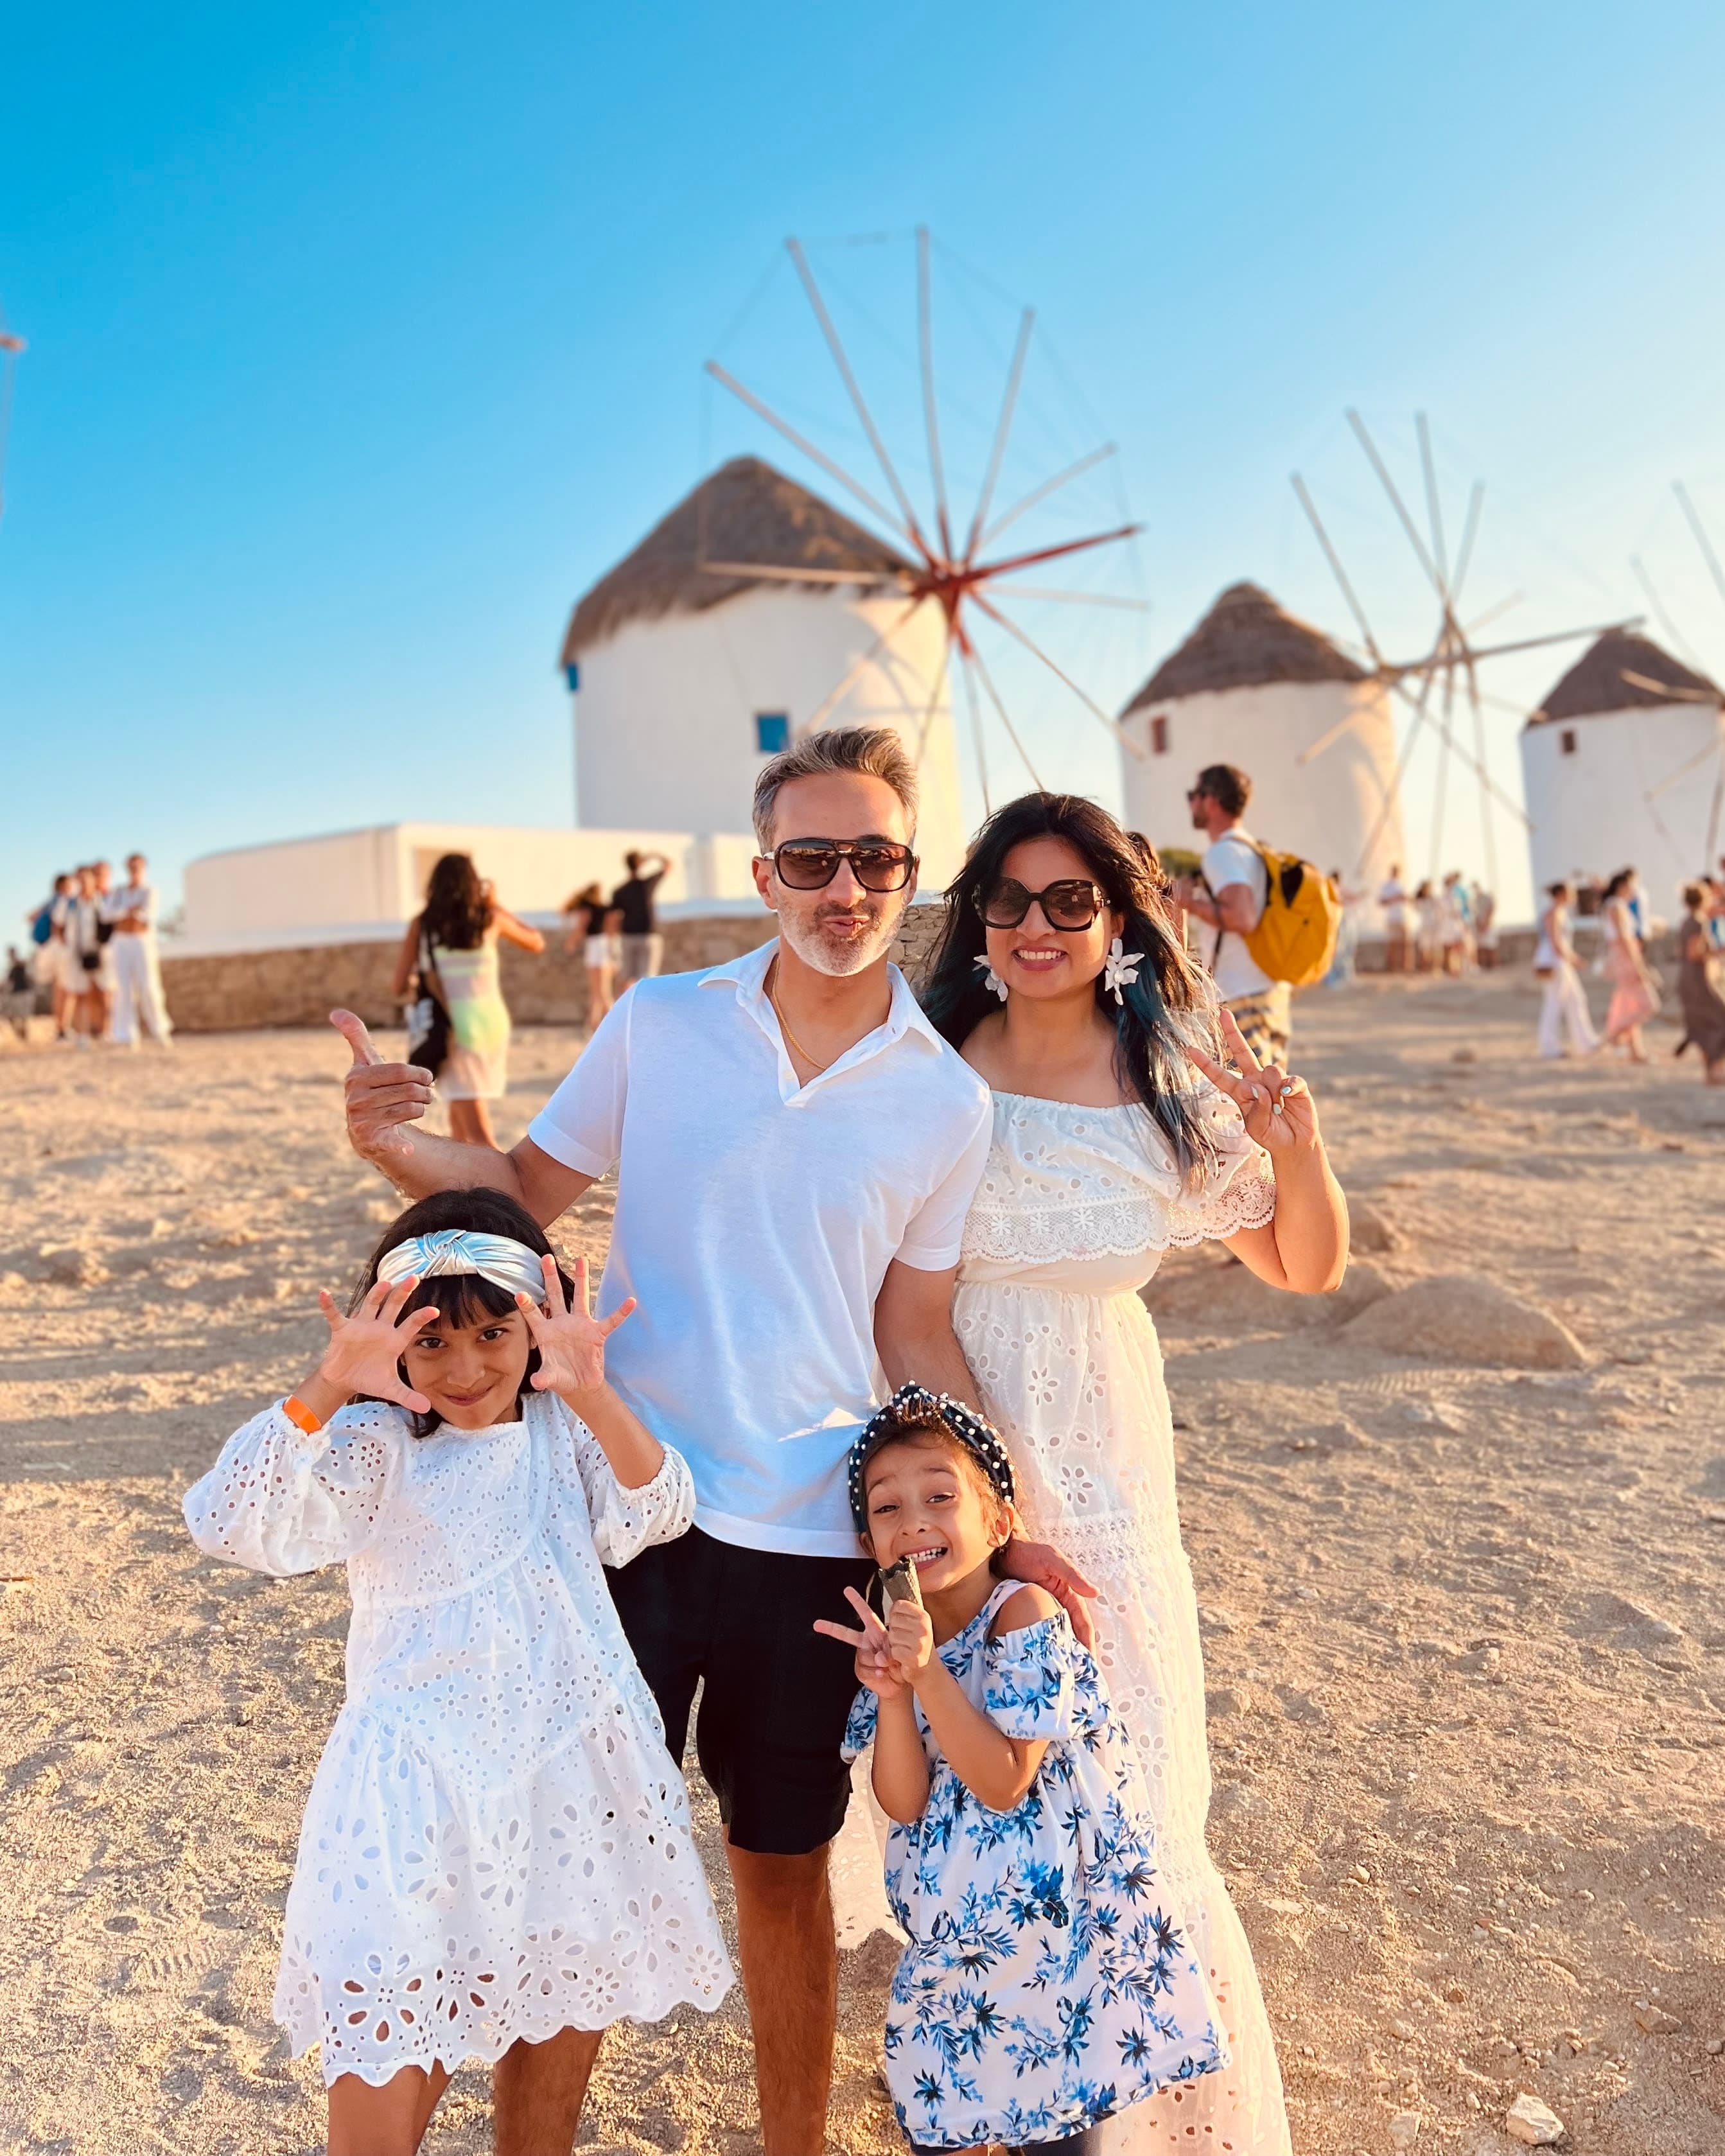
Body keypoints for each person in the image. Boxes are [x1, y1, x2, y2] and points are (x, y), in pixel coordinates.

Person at [333, 726, 1091, 2155]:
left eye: (871, 857)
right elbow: (523, 1186)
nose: (841, 886)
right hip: (619, 1507)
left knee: (783, 1866)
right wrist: (403, 1151)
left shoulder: (942, 1097)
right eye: (810, 857)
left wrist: (1012, 1509)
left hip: (809, 1535)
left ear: (907, 878)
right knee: (574, 1865)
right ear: (763, 873)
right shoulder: (662, 1022)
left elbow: (915, 1327)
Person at [919, 791, 1350, 2156]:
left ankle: (1142, 2106)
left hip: (1104, 1443)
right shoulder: (928, 1066)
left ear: (1113, 922)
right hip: (960, 1439)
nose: (1037, 924)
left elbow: (1303, 1263)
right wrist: (987, 1507)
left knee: (1133, 1765)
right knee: (985, 1770)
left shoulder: (1164, 1070)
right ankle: (1005, 2081)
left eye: (1068, 901)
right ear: (977, 922)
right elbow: (898, 1295)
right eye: (1010, 900)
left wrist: (1296, 1144)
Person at [182, 1188, 731, 2153]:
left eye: (492, 1333)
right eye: (430, 1342)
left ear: (534, 1322)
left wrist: (590, 1387)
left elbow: (659, 1507)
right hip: (413, 1790)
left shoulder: (565, 1433)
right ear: (390, 1339)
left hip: (562, 1774)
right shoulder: (373, 1445)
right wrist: (326, 1383)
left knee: (550, 2049)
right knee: (380, 2072)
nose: (466, 1367)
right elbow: (229, 1523)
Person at [817, 1385, 1227, 2153]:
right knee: (941, 2125)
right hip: (954, 1943)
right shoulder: (904, 1641)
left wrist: (929, 1673)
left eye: (940, 1496)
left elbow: (1004, 1782)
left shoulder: (1022, 1611)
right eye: (887, 1509)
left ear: (998, 1521)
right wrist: (894, 1693)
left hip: (1053, 1949)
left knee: (1059, 2140)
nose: (914, 1523)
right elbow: (903, 1805)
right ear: (870, 1544)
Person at [392, 855, 545, 1152]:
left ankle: (505, 1196)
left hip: (453, 1025)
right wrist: (498, 904)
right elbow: (536, 941)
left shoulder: (422, 925)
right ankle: (467, 1193)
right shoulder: (491, 918)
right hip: (490, 1021)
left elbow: (398, 986)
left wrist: (424, 981)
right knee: (462, 1127)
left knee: (481, 1138)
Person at [1175, 763, 1290, 1061]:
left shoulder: (1223, 853)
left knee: (1252, 1097)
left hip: (1242, 993)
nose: (1191, 804)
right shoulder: (1251, 848)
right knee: (1270, 1090)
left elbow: (1242, 918)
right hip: (1267, 988)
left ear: (1211, 801)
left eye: (1193, 796)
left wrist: (1190, 903)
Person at [105, 852, 174, 1047]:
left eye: (138, 866)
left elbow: (148, 915)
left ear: (144, 868)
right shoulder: (119, 892)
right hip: (121, 942)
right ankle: (125, 1034)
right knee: (123, 988)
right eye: (131, 866)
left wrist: (129, 914)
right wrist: (128, 912)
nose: (134, 870)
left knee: (148, 985)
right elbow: (106, 914)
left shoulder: (150, 890)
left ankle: (160, 1030)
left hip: (142, 941)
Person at [1599, 867, 1658, 1062]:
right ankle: (1616, 1033)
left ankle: (1636, 1051)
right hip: (1626, 958)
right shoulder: (1617, 907)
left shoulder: (1616, 905)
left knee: (1630, 1003)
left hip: (1623, 956)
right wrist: (1640, 966)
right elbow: (1625, 940)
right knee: (1648, 1004)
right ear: (1623, 887)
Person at [1534, 882, 1598, 1059]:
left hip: (1561, 962)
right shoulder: (1554, 913)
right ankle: (1549, 1046)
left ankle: (1586, 1042)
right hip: (1557, 963)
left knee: (1576, 1000)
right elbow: (1556, 942)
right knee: (1554, 1003)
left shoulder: (1558, 913)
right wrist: (1573, 959)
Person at [1674, 884, 1725, 1083]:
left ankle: (1711, 1072)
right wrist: (1717, 952)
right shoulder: (1699, 922)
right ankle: (1714, 1071)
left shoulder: (1686, 921)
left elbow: (1680, 952)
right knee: (1719, 1021)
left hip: (1688, 978)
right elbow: (1694, 953)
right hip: (1699, 980)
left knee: (1704, 1026)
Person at [609, 848, 670, 993]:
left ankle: (623, 1010)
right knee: (648, 977)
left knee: (626, 977)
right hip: (648, 935)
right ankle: (645, 1012)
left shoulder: (619, 891)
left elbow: (613, 917)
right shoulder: (647, 885)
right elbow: (668, 865)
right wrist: (652, 855)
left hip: (628, 936)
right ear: (640, 864)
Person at [66, 864, 114, 1045]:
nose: (84, 883)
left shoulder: (104, 902)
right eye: (81, 880)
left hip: (103, 954)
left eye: (88, 879)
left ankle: (106, 1032)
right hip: (79, 955)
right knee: (81, 995)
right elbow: (66, 930)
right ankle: (83, 1034)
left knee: (105, 994)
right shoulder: (71, 906)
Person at [562, 881, 617, 1029]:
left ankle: (606, 1024)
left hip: (595, 947)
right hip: (604, 946)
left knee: (598, 991)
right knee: (602, 990)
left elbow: (581, 928)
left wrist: (571, 944)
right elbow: (612, 929)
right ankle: (596, 1024)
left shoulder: (587, 910)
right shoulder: (605, 909)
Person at [1378, 864, 1411, 972]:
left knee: (1406, 942)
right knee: (1393, 943)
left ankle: (1405, 967)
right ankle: (1391, 967)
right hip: (1392, 918)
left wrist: (1406, 898)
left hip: (1403, 916)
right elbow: (1382, 902)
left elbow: (1409, 899)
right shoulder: (1386, 886)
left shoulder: (1403, 884)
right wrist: (1396, 898)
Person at [4, 945, 33, 1038]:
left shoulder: (19, 964)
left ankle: (23, 1032)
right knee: (10, 1015)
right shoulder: (11, 967)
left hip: (23, 992)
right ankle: (18, 1032)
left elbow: (24, 964)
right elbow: (9, 981)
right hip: (14, 993)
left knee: (23, 1015)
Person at [1472, 882, 1499, 970]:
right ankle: (1484, 965)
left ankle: (1492, 965)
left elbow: (1491, 909)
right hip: (1480, 925)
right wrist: (1478, 924)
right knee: (1482, 946)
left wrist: (1486, 923)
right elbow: (1475, 913)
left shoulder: (1487, 898)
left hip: (1488, 925)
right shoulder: (1475, 900)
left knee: (1490, 946)